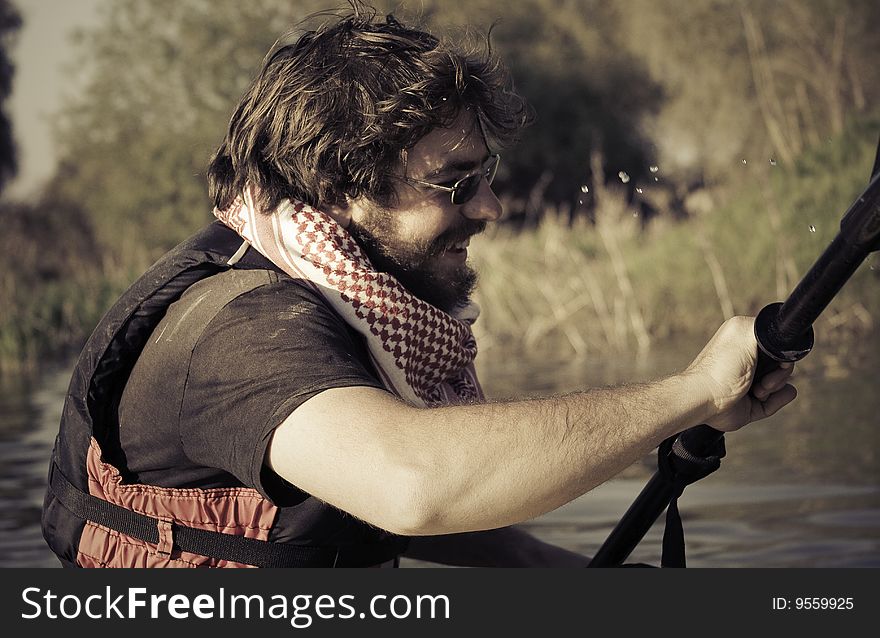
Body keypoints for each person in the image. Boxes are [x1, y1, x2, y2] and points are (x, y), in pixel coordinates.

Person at [41, 3, 796, 568]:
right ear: (339, 187)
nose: (490, 208)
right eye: (455, 183)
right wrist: (690, 394)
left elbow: (389, 515)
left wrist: (569, 575)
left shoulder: (341, 294)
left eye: (487, 175)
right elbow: (413, 484)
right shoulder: (242, 331)